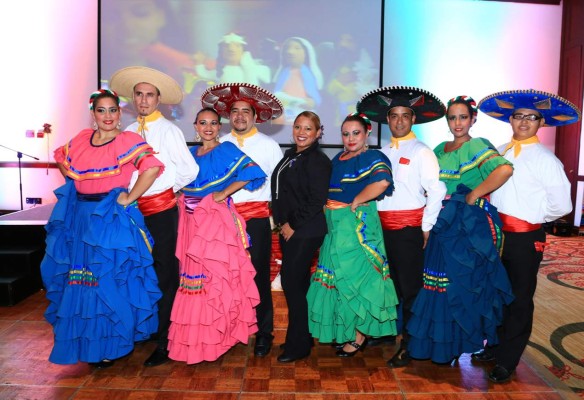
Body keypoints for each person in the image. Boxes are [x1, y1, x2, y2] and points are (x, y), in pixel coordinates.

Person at [41, 89, 164, 367]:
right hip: (80, 219)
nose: (107, 116)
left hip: (109, 219)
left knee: (108, 281)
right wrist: (77, 186)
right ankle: (89, 345)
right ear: (93, 114)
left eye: (112, 110)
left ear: (120, 114)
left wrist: (129, 197)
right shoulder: (82, 140)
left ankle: (112, 344)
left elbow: (152, 168)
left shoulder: (128, 140)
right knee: (82, 282)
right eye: (101, 110)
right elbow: (63, 159)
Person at [477, 89, 580, 383]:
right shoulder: (498, 151)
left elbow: (563, 205)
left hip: (524, 238)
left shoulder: (547, 160)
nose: (524, 121)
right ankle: (494, 347)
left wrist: (533, 219)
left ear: (541, 122)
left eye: (531, 117)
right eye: (519, 116)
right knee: (496, 293)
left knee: (519, 299)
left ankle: (508, 360)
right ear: (510, 119)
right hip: (495, 236)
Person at [405, 95, 515, 365]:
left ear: (473, 119)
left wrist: (473, 194)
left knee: (462, 284)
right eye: (452, 117)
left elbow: (504, 169)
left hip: (466, 226)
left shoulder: (477, 145)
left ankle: (462, 344)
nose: (457, 122)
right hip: (442, 224)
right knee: (437, 283)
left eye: (463, 117)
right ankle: (440, 346)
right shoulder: (440, 149)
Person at [110, 66, 199, 367]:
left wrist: (169, 190)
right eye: (139, 94)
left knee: (165, 275)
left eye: (150, 95)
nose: (144, 100)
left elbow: (190, 169)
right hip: (132, 214)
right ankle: (146, 329)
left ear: (159, 99)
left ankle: (165, 340)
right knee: (137, 272)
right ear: (132, 98)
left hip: (162, 212)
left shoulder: (170, 131)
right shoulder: (126, 133)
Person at [356, 86, 447, 367]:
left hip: (408, 230)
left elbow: (437, 190)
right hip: (381, 231)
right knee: (388, 286)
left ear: (413, 119)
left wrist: (426, 225)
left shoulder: (422, 152)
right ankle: (387, 334)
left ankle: (411, 344)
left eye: (404, 116)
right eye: (393, 116)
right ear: (387, 119)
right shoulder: (381, 152)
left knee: (410, 290)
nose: (398, 121)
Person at [167, 107, 267, 364]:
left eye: (213, 123)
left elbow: (252, 171)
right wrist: (180, 197)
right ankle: (196, 340)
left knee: (215, 279)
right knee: (192, 279)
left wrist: (222, 195)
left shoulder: (225, 150)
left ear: (219, 127)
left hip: (213, 221)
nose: (208, 127)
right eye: (203, 123)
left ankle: (219, 338)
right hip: (190, 223)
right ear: (196, 126)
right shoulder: (189, 153)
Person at [306, 113, 398, 357]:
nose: (350, 138)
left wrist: (356, 200)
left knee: (358, 281)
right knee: (339, 280)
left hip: (357, 226)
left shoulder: (373, 156)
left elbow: (382, 182)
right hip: (335, 226)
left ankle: (359, 337)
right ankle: (348, 331)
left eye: (356, 133)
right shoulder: (338, 158)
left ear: (367, 132)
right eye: (346, 134)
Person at [202, 82, 284, 357]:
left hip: (256, 220)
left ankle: (264, 332)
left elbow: (278, 188)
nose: (239, 116)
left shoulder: (269, 146)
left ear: (255, 115)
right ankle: (227, 331)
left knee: (258, 276)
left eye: (245, 111)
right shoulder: (219, 144)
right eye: (234, 111)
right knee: (224, 278)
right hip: (221, 221)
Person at [270, 111, 332, 362]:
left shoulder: (317, 160)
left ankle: (299, 345)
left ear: (318, 133)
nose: (301, 132)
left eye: (308, 128)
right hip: (290, 229)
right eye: (298, 127)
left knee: (292, 285)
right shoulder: (293, 155)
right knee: (297, 286)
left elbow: (317, 200)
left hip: (305, 231)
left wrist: (291, 224)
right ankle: (301, 338)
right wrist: (282, 223)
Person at [273, 37, 324, 123]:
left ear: (306, 53)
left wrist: (313, 102)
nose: (290, 52)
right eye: (288, 48)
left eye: (297, 48)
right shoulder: (284, 72)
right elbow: (277, 91)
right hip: (285, 109)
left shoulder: (307, 72)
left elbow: (314, 93)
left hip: (302, 109)